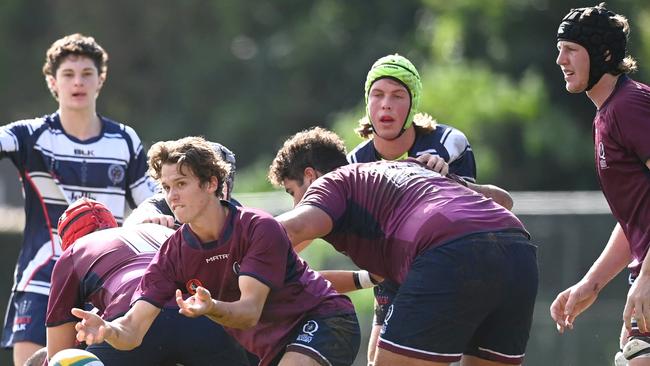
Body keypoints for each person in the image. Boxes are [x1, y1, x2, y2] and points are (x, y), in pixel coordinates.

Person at [72, 136, 361, 366]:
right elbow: (133, 330)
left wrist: (211, 308)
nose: (172, 196)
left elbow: (248, 313)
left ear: (212, 184)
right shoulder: (172, 254)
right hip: (273, 346)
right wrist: (109, 331)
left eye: (181, 184)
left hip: (323, 320)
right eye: (166, 187)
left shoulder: (258, 227)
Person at [268, 127, 538, 366]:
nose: (296, 204)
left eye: (293, 192)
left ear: (311, 175)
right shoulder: (411, 168)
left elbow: (291, 230)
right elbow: (503, 200)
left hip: (451, 250)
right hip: (517, 251)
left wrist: (233, 241)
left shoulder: (332, 182)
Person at [0, 33, 157, 365]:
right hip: (41, 276)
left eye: (87, 73)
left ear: (100, 80)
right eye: (68, 74)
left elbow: (152, 201)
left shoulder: (124, 139)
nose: (78, 82)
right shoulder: (30, 135)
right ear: (52, 82)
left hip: (103, 280)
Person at [347, 53, 480, 364]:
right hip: (393, 275)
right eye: (377, 95)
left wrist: (446, 175)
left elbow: (482, 209)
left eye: (397, 95)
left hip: (451, 267)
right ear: (367, 102)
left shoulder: (448, 141)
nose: (386, 105)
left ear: (413, 103)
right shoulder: (355, 162)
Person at [550, 3, 650, 364]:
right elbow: (634, 218)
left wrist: (647, 278)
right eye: (559, 48)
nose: (561, 59)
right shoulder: (607, 114)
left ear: (603, 54)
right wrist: (590, 284)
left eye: (572, 49)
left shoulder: (629, 105)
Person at [44, 197, 250, 366]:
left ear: (68, 242)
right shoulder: (167, 232)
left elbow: (60, 355)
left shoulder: (74, 253)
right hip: (201, 317)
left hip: (135, 318)